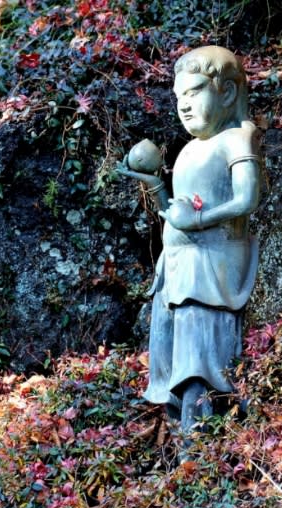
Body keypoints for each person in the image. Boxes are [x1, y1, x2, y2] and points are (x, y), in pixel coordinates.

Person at [118, 46, 261, 435]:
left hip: (211, 263)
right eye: (179, 96)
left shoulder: (237, 138)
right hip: (177, 265)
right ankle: (181, 429)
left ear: (227, 93)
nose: (183, 104)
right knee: (171, 348)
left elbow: (247, 199)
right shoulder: (189, 150)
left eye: (194, 92)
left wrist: (196, 220)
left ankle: (198, 440)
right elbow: (174, 211)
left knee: (199, 350)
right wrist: (154, 185)